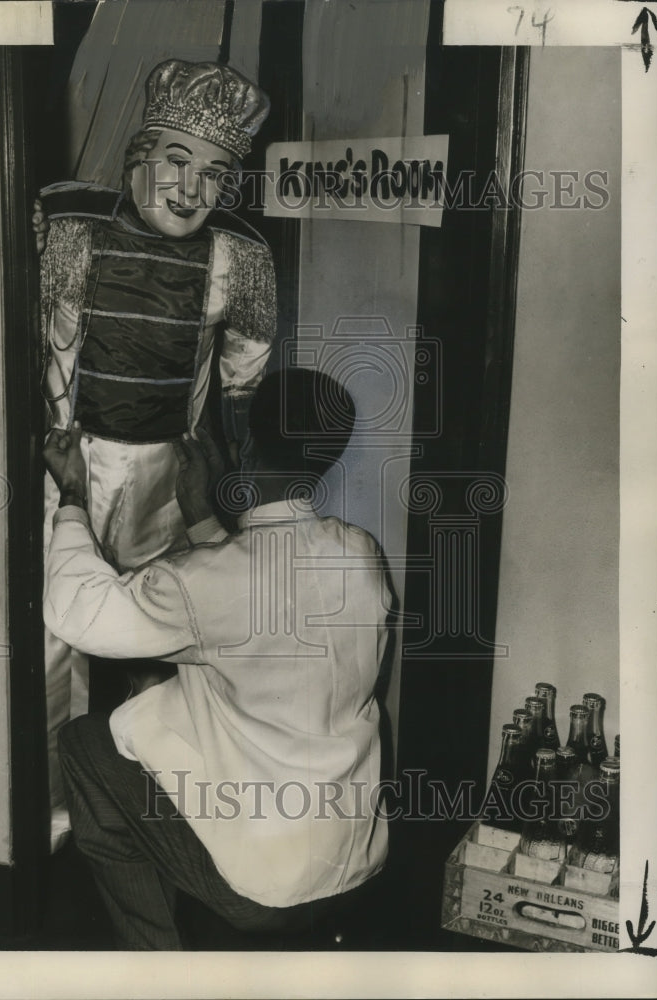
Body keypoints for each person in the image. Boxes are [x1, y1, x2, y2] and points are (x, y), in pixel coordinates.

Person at [43, 367, 391, 949]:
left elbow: (77, 613)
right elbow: (254, 596)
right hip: (354, 862)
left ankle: (161, 969)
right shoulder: (361, 555)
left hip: (266, 888)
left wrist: (74, 496)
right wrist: (205, 516)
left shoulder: (209, 580)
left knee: (84, 744)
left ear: (249, 447)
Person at [36, 60, 277, 839]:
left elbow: (241, 381)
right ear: (139, 155)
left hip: (170, 478)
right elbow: (37, 351)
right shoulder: (70, 232)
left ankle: (166, 806)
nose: (190, 188)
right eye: (175, 160)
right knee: (58, 640)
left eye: (215, 173)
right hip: (69, 468)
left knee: (170, 640)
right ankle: (53, 810)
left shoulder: (238, 259)